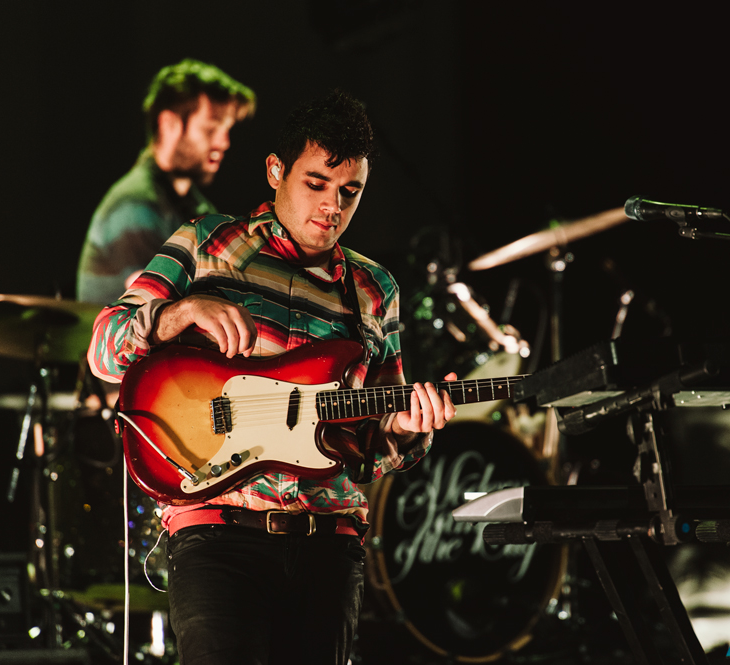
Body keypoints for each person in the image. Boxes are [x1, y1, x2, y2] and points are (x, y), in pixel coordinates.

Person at [87, 89, 456, 664]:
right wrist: (176, 314)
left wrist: (406, 432)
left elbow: (366, 449)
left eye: (349, 191)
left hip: (329, 544)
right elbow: (105, 349)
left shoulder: (374, 290)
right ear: (276, 171)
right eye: (316, 184)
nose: (333, 206)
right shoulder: (205, 244)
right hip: (216, 533)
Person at [77, 58, 256, 305]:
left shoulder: (197, 209)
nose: (224, 142)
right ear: (170, 124)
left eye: (227, 129)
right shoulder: (134, 205)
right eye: (211, 129)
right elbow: (157, 303)